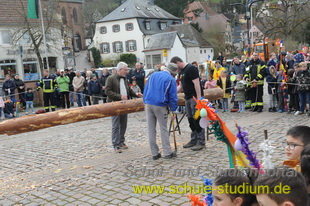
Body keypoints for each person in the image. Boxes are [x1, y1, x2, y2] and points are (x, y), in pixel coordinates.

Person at [143, 63, 178, 160]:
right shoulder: (171, 79)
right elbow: (173, 97)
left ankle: (154, 153)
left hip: (148, 103)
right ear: (173, 73)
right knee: (163, 128)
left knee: (151, 129)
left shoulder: (153, 75)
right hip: (160, 105)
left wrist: (145, 101)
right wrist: (173, 110)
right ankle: (167, 152)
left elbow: (146, 89)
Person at [105, 62, 142, 153]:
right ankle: (115, 144)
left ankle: (121, 141)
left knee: (123, 124)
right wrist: (119, 96)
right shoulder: (110, 78)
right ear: (120, 69)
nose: (126, 71)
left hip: (125, 104)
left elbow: (128, 90)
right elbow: (107, 91)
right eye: (125, 70)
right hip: (114, 104)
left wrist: (136, 94)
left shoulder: (125, 79)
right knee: (115, 125)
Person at [171, 56, 205, 151]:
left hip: (194, 98)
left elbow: (197, 84)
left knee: (197, 119)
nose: (175, 69)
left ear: (177, 62)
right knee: (190, 119)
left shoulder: (191, 68)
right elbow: (181, 86)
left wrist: (199, 99)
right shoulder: (181, 72)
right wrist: (172, 93)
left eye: (175, 67)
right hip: (187, 97)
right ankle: (193, 139)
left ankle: (201, 141)